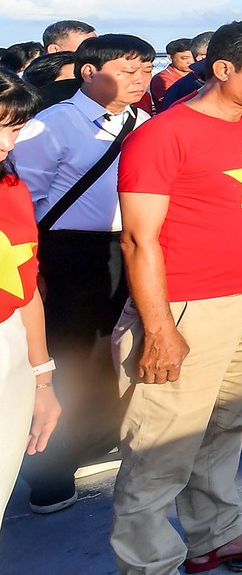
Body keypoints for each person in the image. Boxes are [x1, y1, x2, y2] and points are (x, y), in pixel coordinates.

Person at [111, 18, 242, 575]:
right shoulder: (163, 136)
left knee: (226, 425)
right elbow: (140, 243)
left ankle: (214, 534)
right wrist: (161, 330)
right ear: (224, 68)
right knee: (161, 446)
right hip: (186, 309)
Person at [13, 33, 153, 514]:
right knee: (69, 354)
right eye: (128, 71)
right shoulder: (51, 125)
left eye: (146, 70)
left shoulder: (144, 121)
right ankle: (47, 471)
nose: (140, 80)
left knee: (110, 351)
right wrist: (34, 268)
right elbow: (23, 203)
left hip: (127, 247)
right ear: (89, 73)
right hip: (67, 252)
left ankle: (93, 440)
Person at [0, 69, 62, 542]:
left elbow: (26, 290)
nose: (8, 142)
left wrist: (41, 379)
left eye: (15, 127)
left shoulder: (12, 192)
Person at [150, 40, 195, 111]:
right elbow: (174, 102)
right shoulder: (162, 78)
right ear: (170, 57)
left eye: (193, 57)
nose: (191, 61)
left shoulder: (196, 74)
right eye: (184, 58)